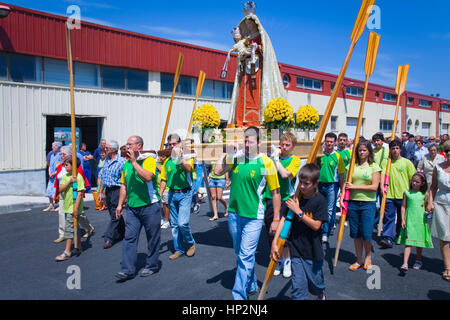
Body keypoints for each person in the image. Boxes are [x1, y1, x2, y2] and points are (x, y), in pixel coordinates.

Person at [215, 126, 281, 300]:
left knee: (245, 256)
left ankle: (239, 296)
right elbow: (217, 171)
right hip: (234, 214)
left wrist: (275, 218)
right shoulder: (236, 159)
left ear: (258, 143)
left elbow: (275, 192)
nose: (246, 143)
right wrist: (225, 153)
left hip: (254, 216)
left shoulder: (265, 163)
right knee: (240, 253)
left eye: (250, 141)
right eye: (244, 140)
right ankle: (250, 283)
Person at [225, 3, 286, 127]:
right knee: (243, 93)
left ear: (254, 23)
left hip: (258, 69)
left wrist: (256, 47)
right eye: (246, 23)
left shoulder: (262, 36)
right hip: (246, 70)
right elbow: (240, 52)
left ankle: (258, 120)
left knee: (257, 93)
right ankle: (241, 121)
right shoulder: (246, 38)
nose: (248, 24)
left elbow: (266, 51)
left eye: (250, 22)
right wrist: (244, 53)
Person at [272, 164, 327, 300]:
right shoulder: (295, 197)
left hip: (313, 252)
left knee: (316, 285)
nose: (301, 186)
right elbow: (284, 219)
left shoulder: (320, 200)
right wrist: (275, 241)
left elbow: (316, 226)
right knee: (298, 288)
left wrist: (299, 212)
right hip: (296, 250)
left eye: (306, 183)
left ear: (315, 183)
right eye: (300, 182)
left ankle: (321, 295)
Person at [115, 135, 162, 282]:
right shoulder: (126, 164)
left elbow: (148, 177)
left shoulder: (148, 160)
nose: (127, 147)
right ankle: (127, 270)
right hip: (133, 208)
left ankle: (152, 265)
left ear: (139, 146)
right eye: (127, 144)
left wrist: (135, 162)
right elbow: (124, 185)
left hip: (150, 206)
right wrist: (119, 204)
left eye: (130, 144)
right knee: (129, 238)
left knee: (152, 237)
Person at [340, 140, 381, 271]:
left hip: (367, 203)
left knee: (367, 233)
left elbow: (375, 187)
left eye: (364, 150)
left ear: (369, 151)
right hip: (352, 203)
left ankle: (368, 257)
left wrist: (355, 186)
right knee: (356, 233)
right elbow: (346, 185)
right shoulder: (351, 166)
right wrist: (341, 198)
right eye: (359, 150)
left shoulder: (374, 167)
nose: (361, 152)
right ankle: (358, 259)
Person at [264, 132, 301, 278]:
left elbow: (285, 174)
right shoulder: (271, 159)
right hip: (269, 198)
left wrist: (276, 160)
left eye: (287, 145)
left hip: (286, 199)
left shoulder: (295, 160)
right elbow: (263, 175)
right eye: (282, 144)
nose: (284, 147)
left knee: (284, 233)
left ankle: (286, 260)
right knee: (270, 231)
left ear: (293, 146)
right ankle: (276, 258)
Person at [159, 133, 196, 260]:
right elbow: (164, 179)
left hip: (185, 193)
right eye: (170, 144)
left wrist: (180, 158)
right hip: (172, 194)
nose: (172, 146)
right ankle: (178, 249)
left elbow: (189, 169)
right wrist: (160, 192)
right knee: (174, 224)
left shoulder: (187, 156)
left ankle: (190, 243)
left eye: (174, 144)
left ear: (180, 144)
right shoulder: (167, 162)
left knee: (183, 223)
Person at [379, 139, 416, 248]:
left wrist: (413, 192)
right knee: (389, 216)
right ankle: (388, 237)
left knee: (401, 217)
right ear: (390, 150)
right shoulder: (386, 162)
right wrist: (382, 187)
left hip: (403, 195)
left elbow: (412, 178)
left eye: (397, 148)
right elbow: (382, 175)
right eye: (393, 148)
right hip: (389, 194)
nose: (395, 150)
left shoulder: (407, 162)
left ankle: (400, 235)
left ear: (400, 149)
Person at [53, 146, 93, 243]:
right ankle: (63, 234)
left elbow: (81, 181)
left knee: (80, 214)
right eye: (61, 154)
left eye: (64, 154)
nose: (62, 156)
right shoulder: (60, 167)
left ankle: (89, 228)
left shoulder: (76, 168)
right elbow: (58, 181)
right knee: (62, 214)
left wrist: (80, 193)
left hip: (73, 194)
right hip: (63, 193)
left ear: (70, 155)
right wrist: (57, 194)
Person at [398, 172, 433, 271]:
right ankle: (405, 263)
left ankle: (418, 260)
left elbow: (427, 207)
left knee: (418, 242)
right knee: (408, 242)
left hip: (420, 220)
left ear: (422, 183)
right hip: (409, 219)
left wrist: (428, 209)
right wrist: (403, 219)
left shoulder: (424, 195)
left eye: (417, 182)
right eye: (413, 181)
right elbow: (403, 206)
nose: (414, 183)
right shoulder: (407, 193)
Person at [427, 140, 450, 282]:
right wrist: (430, 202)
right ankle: (447, 267)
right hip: (442, 203)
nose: (449, 153)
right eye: (447, 151)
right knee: (445, 235)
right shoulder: (438, 167)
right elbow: (433, 187)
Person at [55, 158, 85, 261]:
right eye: (65, 164)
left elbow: (80, 194)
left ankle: (67, 251)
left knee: (69, 229)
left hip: (73, 207)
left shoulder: (79, 177)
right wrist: (69, 181)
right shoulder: (66, 176)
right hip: (67, 206)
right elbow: (61, 189)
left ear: (73, 166)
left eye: (67, 164)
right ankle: (79, 246)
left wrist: (76, 208)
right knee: (74, 226)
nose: (65, 166)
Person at [98, 140, 126, 249]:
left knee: (115, 215)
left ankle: (109, 238)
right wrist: (100, 192)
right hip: (108, 190)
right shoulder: (106, 161)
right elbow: (104, 177)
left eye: (107, 148)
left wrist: (126, 195)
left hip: (117, 190)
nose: (105, 149)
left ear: (114, 150)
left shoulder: (121, 162)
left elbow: (126, 180)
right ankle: (123, 232)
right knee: (113, 213)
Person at [318, 132, 345, 243]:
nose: (329, 144)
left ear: (335, 143)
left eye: (331, 142)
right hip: (319, 185)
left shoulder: (338, 157)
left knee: (329, 210)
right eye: (327, 141)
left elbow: (341, 175)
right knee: (319, 209)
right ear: (325, 142)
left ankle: (325, 232)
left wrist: (342, 190)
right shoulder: (319, 154)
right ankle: (320, 229)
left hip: (332, 186)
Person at [372, 133, 389, 227]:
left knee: (383, 201)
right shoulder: (371, 151)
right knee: (373, 201)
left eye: (378, 140)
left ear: (382, 141)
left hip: (384, 179)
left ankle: (381, 220)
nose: (376, 142)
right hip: (374, 179)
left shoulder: (387, 151)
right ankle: (375, 220)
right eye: (375, 141)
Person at [44, 142, 62, 212]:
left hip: (57, 176)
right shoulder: (51, 155)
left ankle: (61, 206)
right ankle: (51, 205)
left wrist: (54, 173)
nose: (52, 148)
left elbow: (61, 167)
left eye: (54, 146)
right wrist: (49, 172)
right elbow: (49, 166)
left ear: (58, 147)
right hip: (51, 176)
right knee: (49, 191)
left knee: (57, 191)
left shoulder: (60, 156)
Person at [156, 149, 171, 229]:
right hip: (158, 187)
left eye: (162, 156)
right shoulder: (158, 163)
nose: (160, 158)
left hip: (166, 188)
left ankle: (167, 220)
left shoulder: (167, 164)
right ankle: (162, 218)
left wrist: (159, 167)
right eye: (159, 156)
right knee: (160, 205)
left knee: (166, 205)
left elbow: (167, 174)